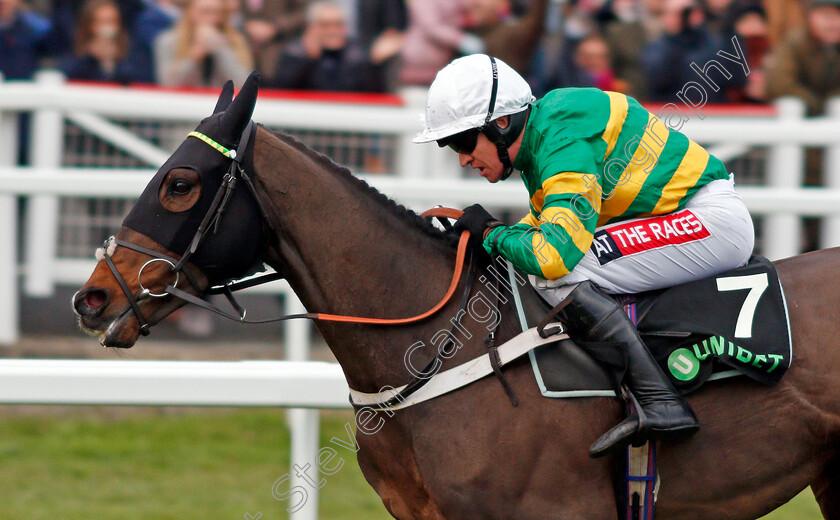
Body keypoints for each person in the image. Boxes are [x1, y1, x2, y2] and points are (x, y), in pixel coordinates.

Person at [413, 54, 754, 457]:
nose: (463, 158)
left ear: (502, 124)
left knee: (552, 275)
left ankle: (661, 401)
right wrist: (482, 237)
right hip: (689, 217)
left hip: (709, 222)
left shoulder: (563, 134)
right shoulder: (547, 134)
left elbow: (552, 256)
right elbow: (539, 232)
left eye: (464, 141)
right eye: (450, 145)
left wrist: (489, 231)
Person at [269, 1, 385, 92]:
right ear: (311, 27)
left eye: (338, 24)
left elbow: (370, 92)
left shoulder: (358, 56)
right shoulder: (294, 53)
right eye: (325, 25)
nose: (333, 31)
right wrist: (310, 57)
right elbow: (282, 91)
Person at [153, 0, 253, 87]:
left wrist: (220, 48)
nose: (211, 18)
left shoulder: (235, 40)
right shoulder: (168, 41)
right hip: (184, 103)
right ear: (190, 11)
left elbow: (243, 83)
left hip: (222, 104)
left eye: (217, 13)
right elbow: (167, 83)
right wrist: (193, 58)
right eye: (205, 12)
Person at [765, 0, 840, 116]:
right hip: (803, 103)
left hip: (831, 106)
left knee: (837, 106)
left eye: (838, 15)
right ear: (809, 17)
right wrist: (815, 103)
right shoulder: (794, 42)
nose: (833, 22)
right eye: (826, 15)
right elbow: (779, 84)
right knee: (790, 105)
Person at [60, 0, 137, 83]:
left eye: (111, 21)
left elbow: (136, 78)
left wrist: (114, 63)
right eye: (101, 22)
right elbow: (67, 74)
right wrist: (90, 57)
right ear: (89, 25)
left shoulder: (130, 53)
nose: (106, 27)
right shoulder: (76, 54)